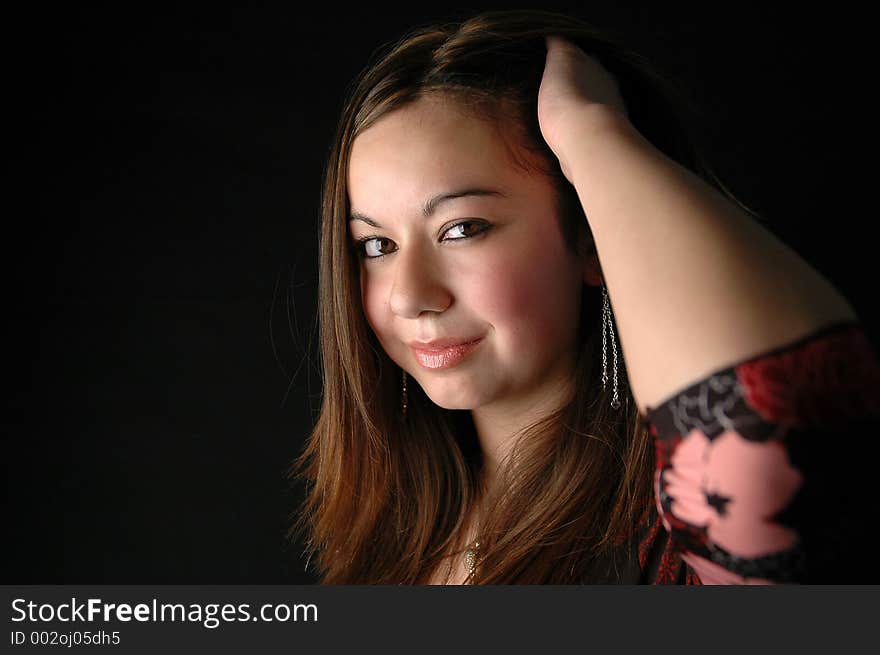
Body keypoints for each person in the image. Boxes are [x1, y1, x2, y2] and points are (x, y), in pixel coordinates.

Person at [289, 9, 880, 584]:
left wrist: (589, 131)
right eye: (374, 245)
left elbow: (773, 417)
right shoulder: (380, 551)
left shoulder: (677, 534)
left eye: (463, 228)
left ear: (590, 235)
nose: (410, 297)